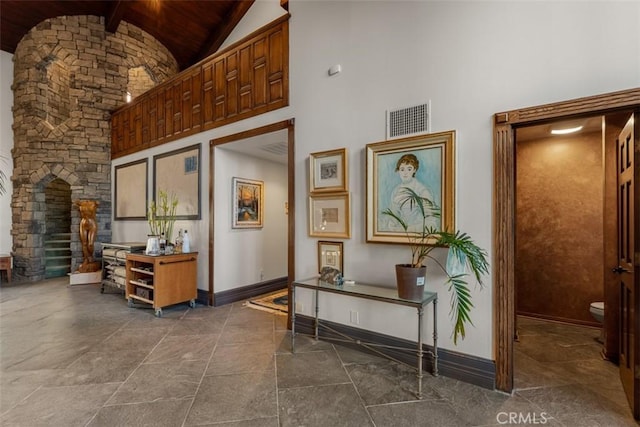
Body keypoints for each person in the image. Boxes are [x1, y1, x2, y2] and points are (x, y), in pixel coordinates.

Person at [386, 153, 439, 232]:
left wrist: (407, 230)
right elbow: (393, 216)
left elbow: (431, 223)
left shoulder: (422, 190)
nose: (405, 173)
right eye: (402, 169)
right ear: (398, 170)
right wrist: (392, 224)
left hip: (417, 234)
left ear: (414, 170)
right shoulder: (396, 190)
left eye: (409, 169)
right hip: (399, 234)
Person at [75, 200, 100, 273]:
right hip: (83, 223)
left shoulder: (94, 203)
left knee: (90, 244)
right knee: (84, 243)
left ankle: (90, 256)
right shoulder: (80, 203)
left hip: (92, 223)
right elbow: (75, 202)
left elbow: (98, 204)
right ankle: (86, 259)